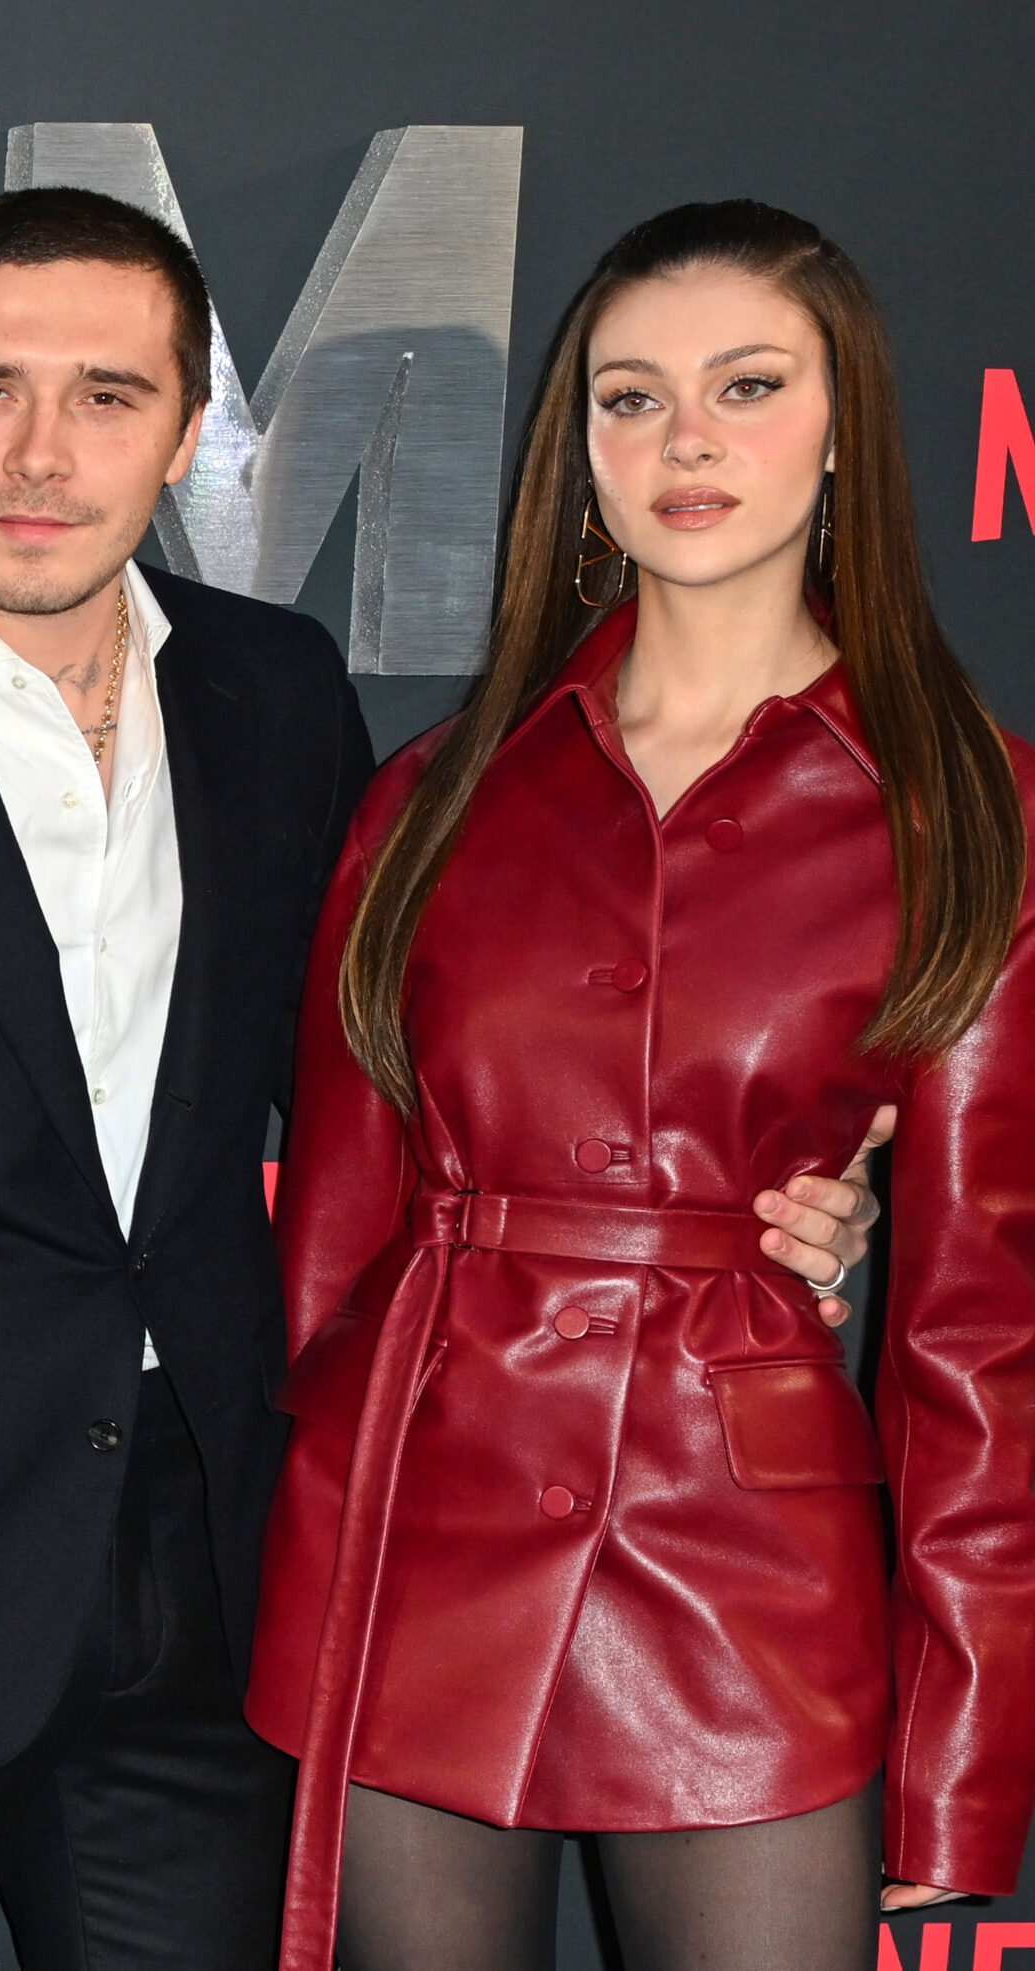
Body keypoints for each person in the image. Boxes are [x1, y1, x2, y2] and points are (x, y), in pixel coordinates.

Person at [0, 188, 885, 1971]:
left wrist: (766, 1204)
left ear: (189, 435)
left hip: (220, 1602)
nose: (44, 454)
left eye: (110, 397)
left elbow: (415, 1091)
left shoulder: (280, 702)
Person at [247, 199, 1035, 1971]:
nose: (684, 440)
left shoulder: (970, 809)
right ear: (574, 450)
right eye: (628, 398)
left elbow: (981, 1341)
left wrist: (963, 1753)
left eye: (747, 387)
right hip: (412, 1541)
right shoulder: (437, 796)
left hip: (748, 1561)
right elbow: (332, 1252)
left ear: (845, 432)